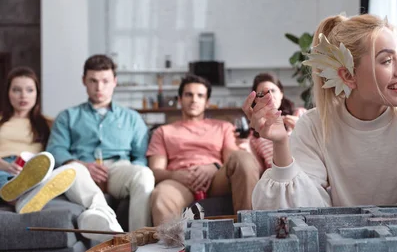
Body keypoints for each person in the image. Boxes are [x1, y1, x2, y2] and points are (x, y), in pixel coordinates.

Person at [243, 14, 397, 210]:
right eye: (386, 60)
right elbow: (299, 211)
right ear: (348, 76)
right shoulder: (315, 126)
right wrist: (281, 144)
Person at [0, 66, 123, 241]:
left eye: (29, 90)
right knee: (2, 177)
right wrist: (5, 165)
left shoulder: (49, 123)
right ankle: (18, 194)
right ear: (7, 93)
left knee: (75, 169)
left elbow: (58, 150)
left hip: (36, 170)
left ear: (37, 93)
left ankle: (103, 217)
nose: (23, 96)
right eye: (16, 90)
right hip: (5, 167)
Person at [46, 55, 154, 233]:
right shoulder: (67, 116)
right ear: (84, 81)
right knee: (73, 171)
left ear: (115, 82)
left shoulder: (132, 118)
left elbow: (141, 156)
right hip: (81, 171)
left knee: (144, 174)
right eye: (93, 81)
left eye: (105, 81)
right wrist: (83, 166)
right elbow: (56, 150)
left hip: (119, 169)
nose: (99, 87)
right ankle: (107, 220)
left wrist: (129, 172)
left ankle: (138, 247)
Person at [147, 75, 261, 225]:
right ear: (180, 100)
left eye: (200, 95)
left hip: (215, 179)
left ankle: (249, 229)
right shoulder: (163, 131)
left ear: (207, 102)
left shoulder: (223, 127)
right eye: (189, 95)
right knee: (161, 195)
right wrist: (175, 175)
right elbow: (155, 171)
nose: (194, 100)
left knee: (243, 158)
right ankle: (171, 247)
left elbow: (232, 160)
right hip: (180, 182)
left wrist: (214, 168)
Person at [248, 72, 306, 171]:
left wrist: (303, 130)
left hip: (306, 169)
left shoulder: (300, 114)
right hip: (277, 177)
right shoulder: (254, 134)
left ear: (281, 94)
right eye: (262, 94)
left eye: (273, 91)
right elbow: (259, 170)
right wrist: (246, 147)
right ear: (256, 100)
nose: (269, 96)